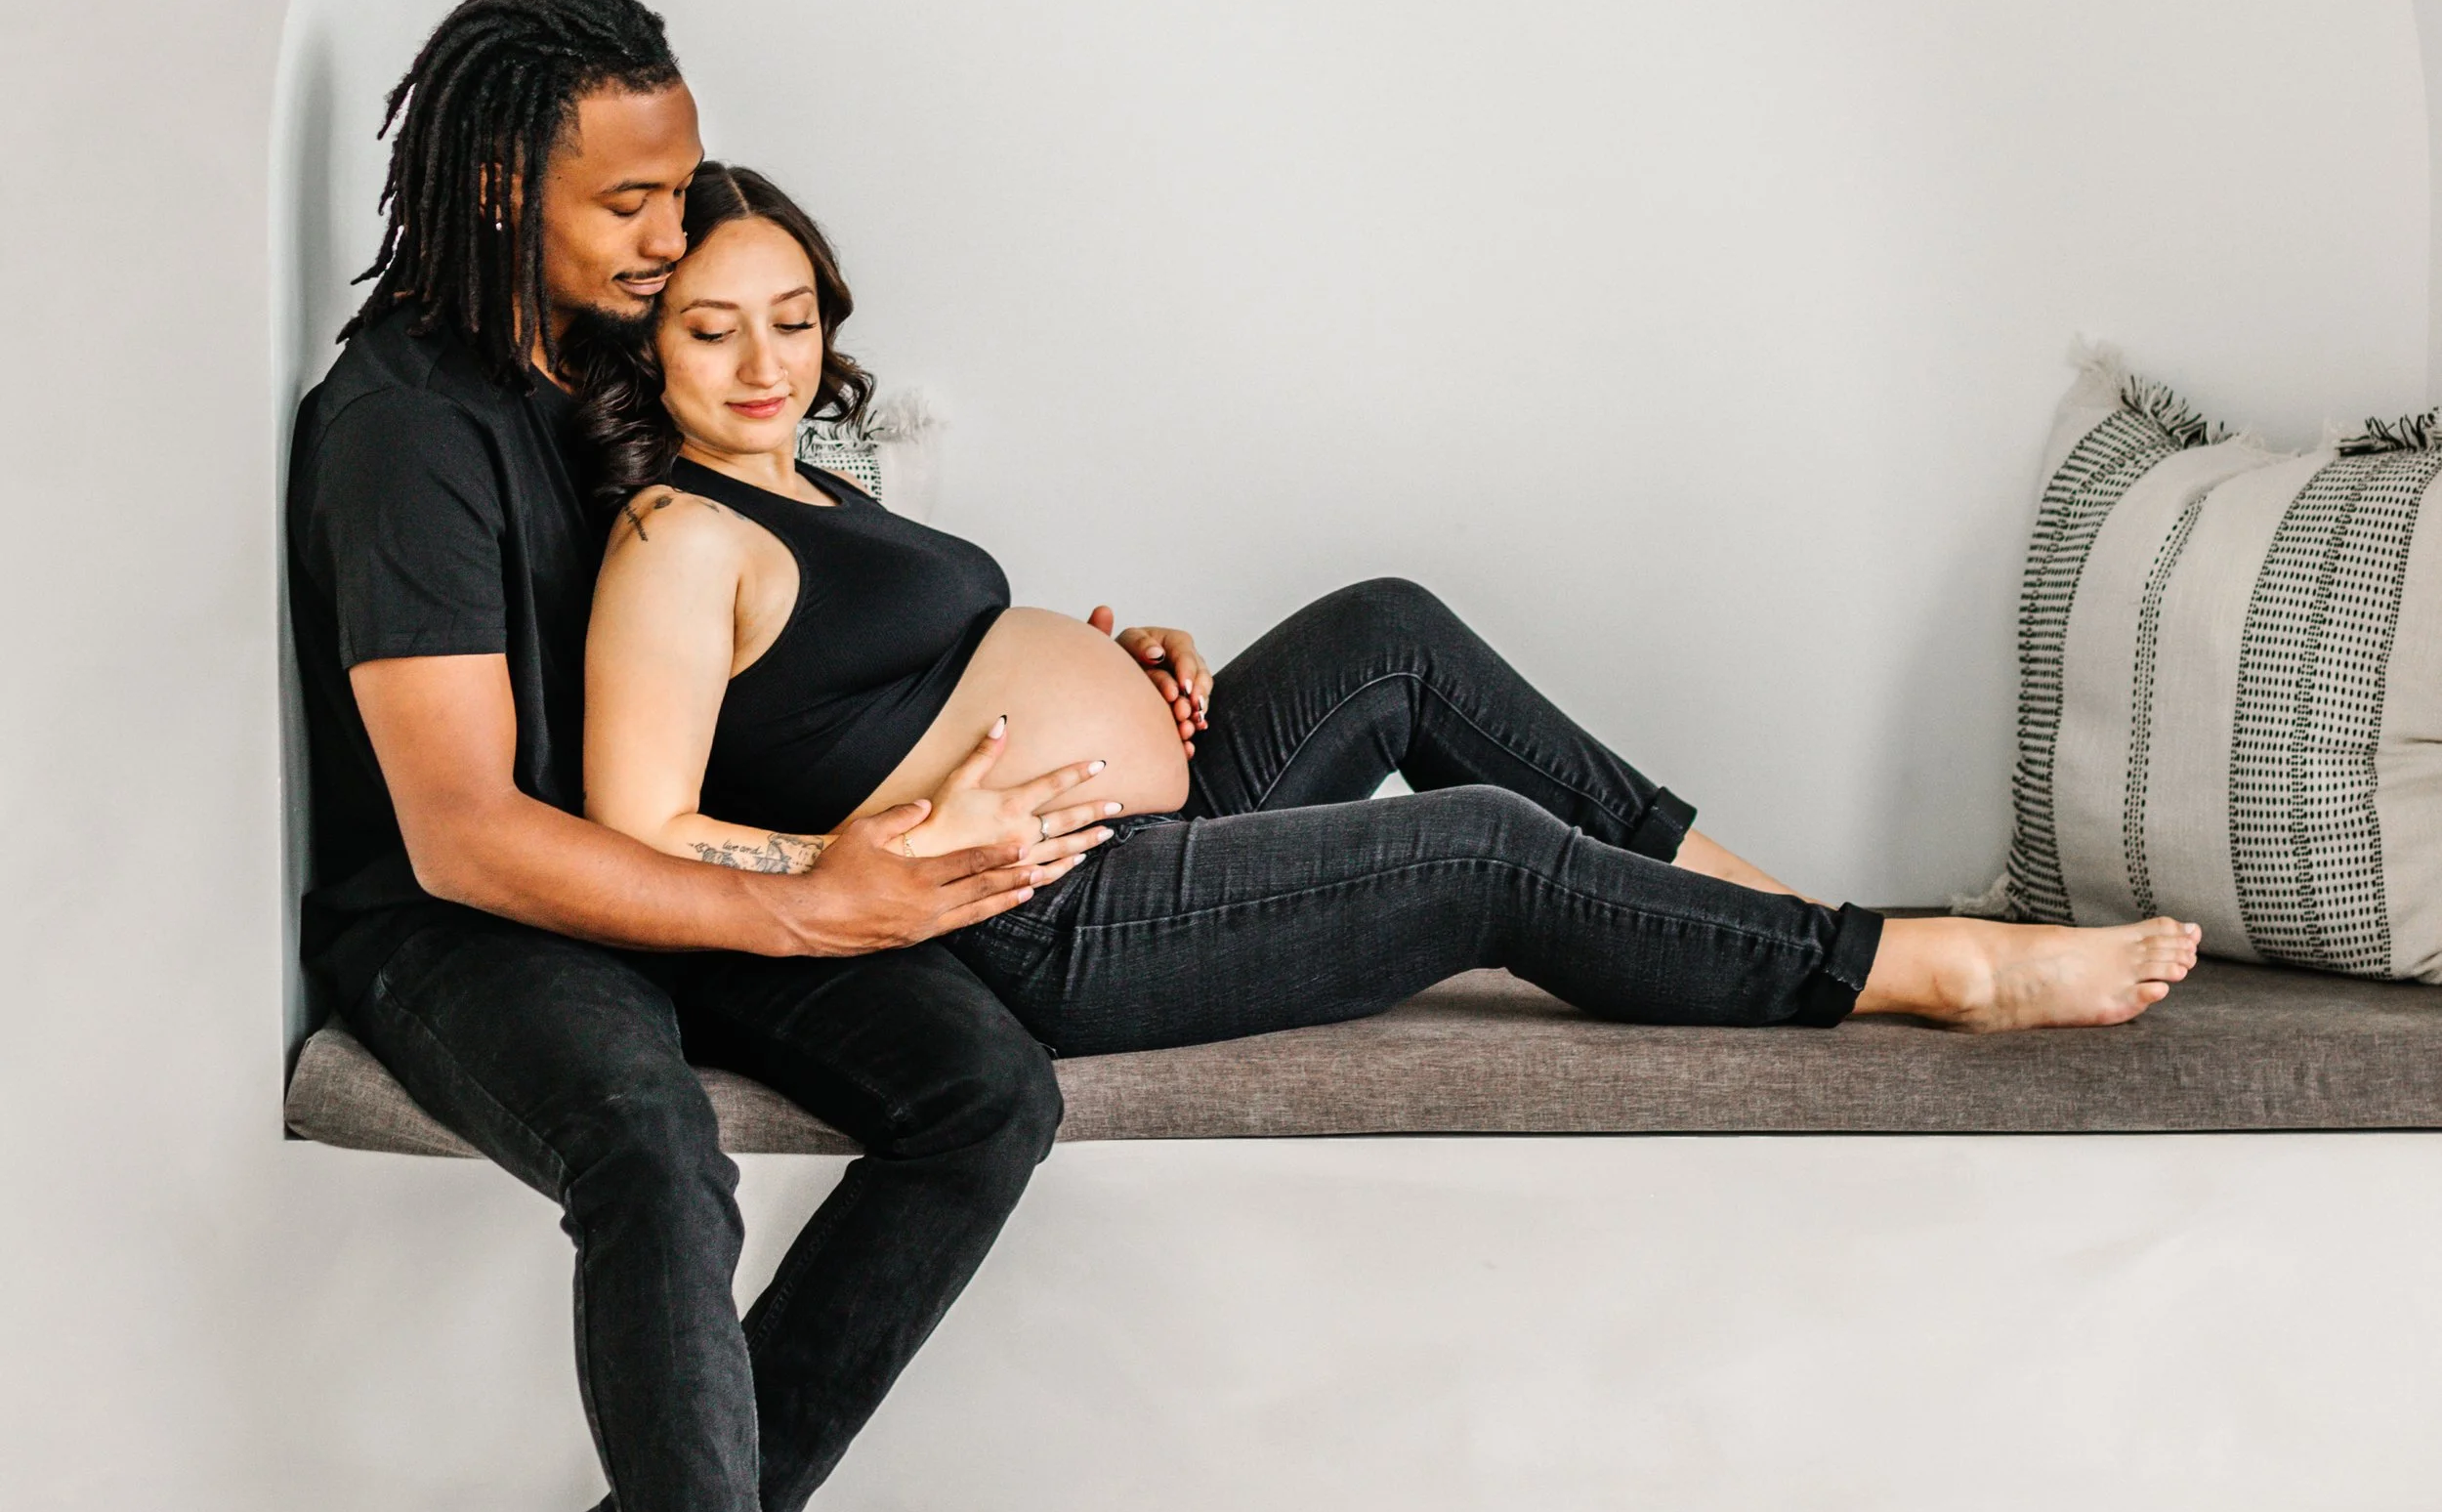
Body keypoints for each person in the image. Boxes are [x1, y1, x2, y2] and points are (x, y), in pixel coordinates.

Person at [287, 0, 1127, 1512]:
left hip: (642, 865)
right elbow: (467, 828)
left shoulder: (584, 373)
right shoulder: (401, 437)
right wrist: (808, 896)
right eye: (632, 210)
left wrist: (1081, 675)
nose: (674, 241)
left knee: (977, 1091)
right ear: (501, 193)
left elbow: (781, 615)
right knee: (655, 1157)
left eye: (679, 194)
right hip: (461, 919)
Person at [577, 163, 2203, 1088]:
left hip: (1119, 834)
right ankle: (1930, 968)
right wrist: (872, 868)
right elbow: (635, 831)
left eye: (789, 319)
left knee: (1389, 627)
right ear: (645, 346)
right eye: (710, 330)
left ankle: (1770, 918)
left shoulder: (822, 495)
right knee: (1479, 848)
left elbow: (894, 686)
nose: (759, 362)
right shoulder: (673, 533)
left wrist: (1111, 680)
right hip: (1037, 923)